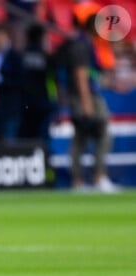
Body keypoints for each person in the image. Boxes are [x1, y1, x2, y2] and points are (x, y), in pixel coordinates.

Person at [63, 14, 117, 192]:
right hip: (86, 97)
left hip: (82, 96)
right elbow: (80, 75)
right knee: (100, 134)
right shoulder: (81, 46)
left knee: (81, 137)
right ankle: (97, 177)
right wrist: (87, 103)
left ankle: (78, 181)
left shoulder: (81, 43)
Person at [20, 24, 55, 140]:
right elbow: (53, 78)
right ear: (41, 38)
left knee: (27, 136)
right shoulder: (47, 57)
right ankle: (43, 155)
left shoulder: (21, 55)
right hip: (43, 101)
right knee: (43, 136)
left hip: (25, 102)